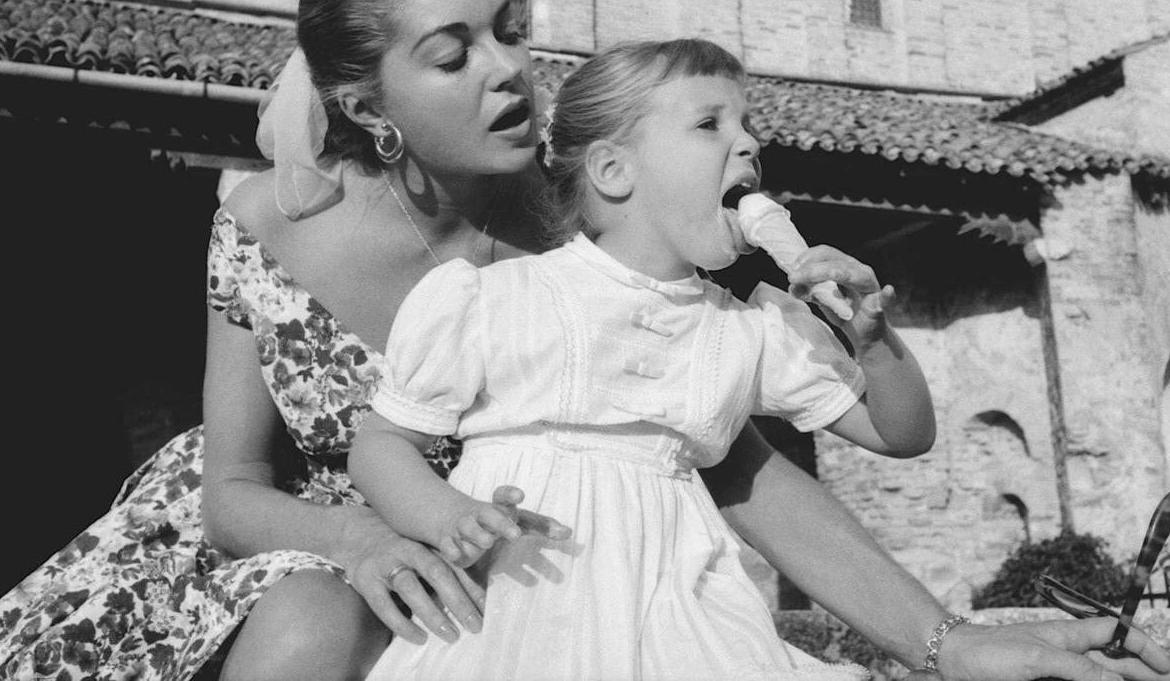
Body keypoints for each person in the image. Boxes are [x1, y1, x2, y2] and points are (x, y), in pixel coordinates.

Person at [0, 0, 1170, 681]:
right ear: (367, 105)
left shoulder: (569, 231)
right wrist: (369, 538)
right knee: (308, 619)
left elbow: (729, 456)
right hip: (286, 545)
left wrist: (943, 638)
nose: (513, 71)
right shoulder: (261, 221)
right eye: (453, 51)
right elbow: (231, 485)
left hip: (514, 567)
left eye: (507, 28)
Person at [348, 37, 937, 680]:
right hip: (519, 602)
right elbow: (381, 445)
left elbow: (899, 433)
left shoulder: (747, 328)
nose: (749, 145)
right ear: (613, 172)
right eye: (710, 125)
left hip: (681, 612)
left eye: (748, 127)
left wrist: (874, 345)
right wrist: (443, 515)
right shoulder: (495, 299)